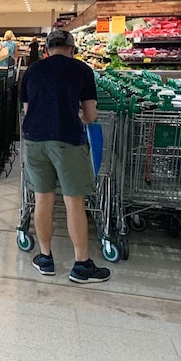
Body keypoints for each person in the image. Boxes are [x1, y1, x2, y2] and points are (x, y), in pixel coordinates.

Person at [20, 29, 110, 283]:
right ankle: (81, 265)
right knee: (73, 202)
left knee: (42, 199)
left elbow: (28, 110)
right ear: (72, 48)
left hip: (35, 141)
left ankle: (45, 258)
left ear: (47, 49)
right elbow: (90, 116)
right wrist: (77, 116)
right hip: (67, 140)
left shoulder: (33, 71)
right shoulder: (81, 70)